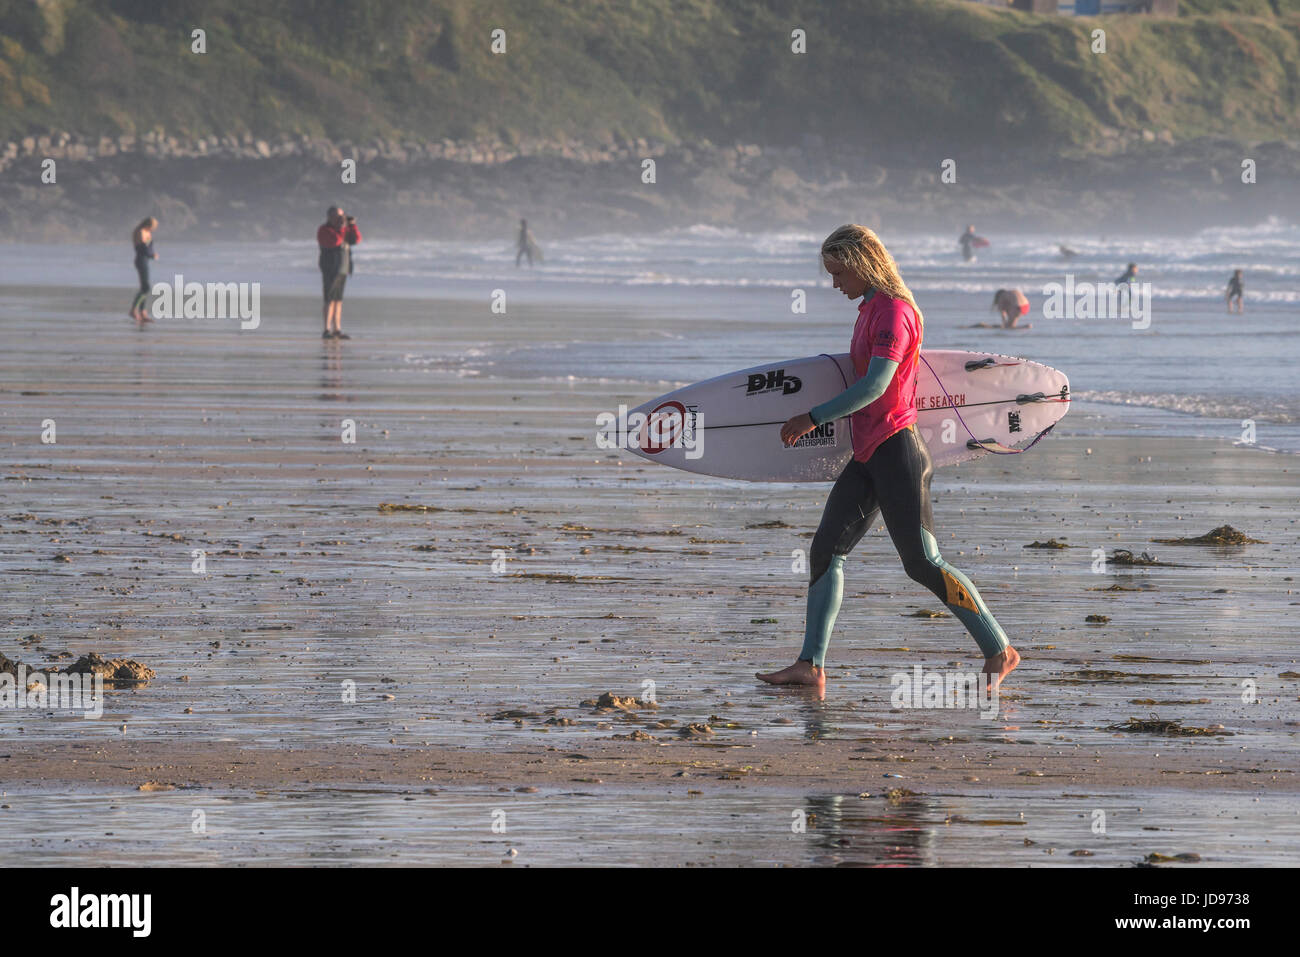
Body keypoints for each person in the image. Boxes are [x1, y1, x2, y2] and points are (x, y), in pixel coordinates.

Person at [757, 225, 1019, 691]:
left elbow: (876, 385)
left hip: (898, 453)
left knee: (923, 563)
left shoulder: (895, 314)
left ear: (862, 264)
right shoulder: (869, 311)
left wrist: (812, 418)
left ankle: (999, 649)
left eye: (839, 273)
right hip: (867, 454)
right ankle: (811, 665)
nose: (835, 283)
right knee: (826, 550)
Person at [317, 206, 361, 339]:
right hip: (330, 268)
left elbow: (356, 240)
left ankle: (337, 329)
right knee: (329, 299)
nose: (340, 219)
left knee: (338, 300)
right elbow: (334, 241)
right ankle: (326, 329)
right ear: (330, 217)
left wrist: (352, 226)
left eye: (341, 216)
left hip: (343, 268)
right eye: (337, 217)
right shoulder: (324, 230)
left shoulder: (345, 229)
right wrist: (342, 227)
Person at [128, 217, 158, 321]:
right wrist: (151, 255)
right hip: (141, 260)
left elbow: (149, 247)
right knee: (146, 287)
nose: (153, 229)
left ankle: (142, 312)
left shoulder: (147, 232)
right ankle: (134, 310)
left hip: (145, 260)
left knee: (144, 287)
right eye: (153, 226)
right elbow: (142, 248)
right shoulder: (140, 231)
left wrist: (152, 254)